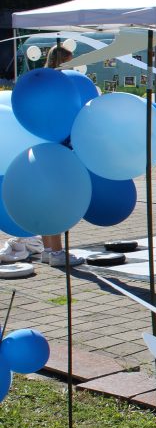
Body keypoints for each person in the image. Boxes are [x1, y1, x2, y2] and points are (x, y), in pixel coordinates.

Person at [30, 46, 84, 266]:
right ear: (63, 62)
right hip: (59, 147)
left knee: (45, 197)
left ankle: (48, 250)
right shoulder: (62, 84)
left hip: (39, 146)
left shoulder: (39, 80)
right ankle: (58, 252)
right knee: (61, 200)